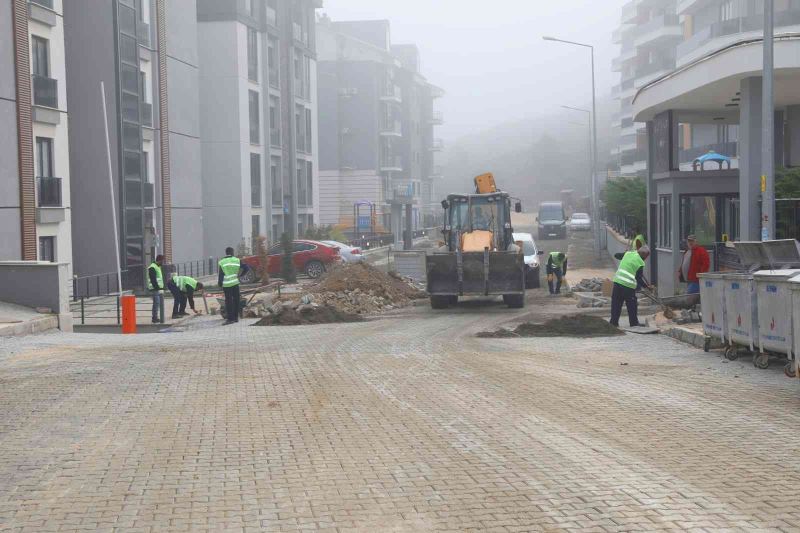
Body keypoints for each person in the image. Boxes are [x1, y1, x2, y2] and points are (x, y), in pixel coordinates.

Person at [610, 245, 651, 327]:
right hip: (628, 286)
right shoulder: (640, 262)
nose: (646, 258)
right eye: (646, 256)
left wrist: (626, 253)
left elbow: (616, 255)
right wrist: (647, 287)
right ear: (645, 255)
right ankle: (634, 323)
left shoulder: (628, 254)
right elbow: (638, 278)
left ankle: (613, 323)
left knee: (616, 303)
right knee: (632, 305)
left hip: (617, 283)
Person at [218, 247, 250, 325]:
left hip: (226, 285)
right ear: (232, 252)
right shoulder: (237, 260)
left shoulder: (222, 262)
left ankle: (230, 319)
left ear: (226, 253)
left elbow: (221, 274)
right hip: (235, 283)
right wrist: (240, 275)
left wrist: (220, 283)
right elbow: (247, 268)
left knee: (228, 302)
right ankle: (236, 318)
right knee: (236, 300)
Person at [147, 254, 165, 324]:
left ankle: (155, 317)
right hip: (154, 289)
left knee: (157, 303)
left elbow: (158, 279)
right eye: (162, 261)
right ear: (159, 260)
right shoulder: (152, 267)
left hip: (157, 289)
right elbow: (153, 279)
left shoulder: (157, 267)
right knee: (156, 303)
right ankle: (154, 318)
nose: (163, 263)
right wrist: (157, 288)